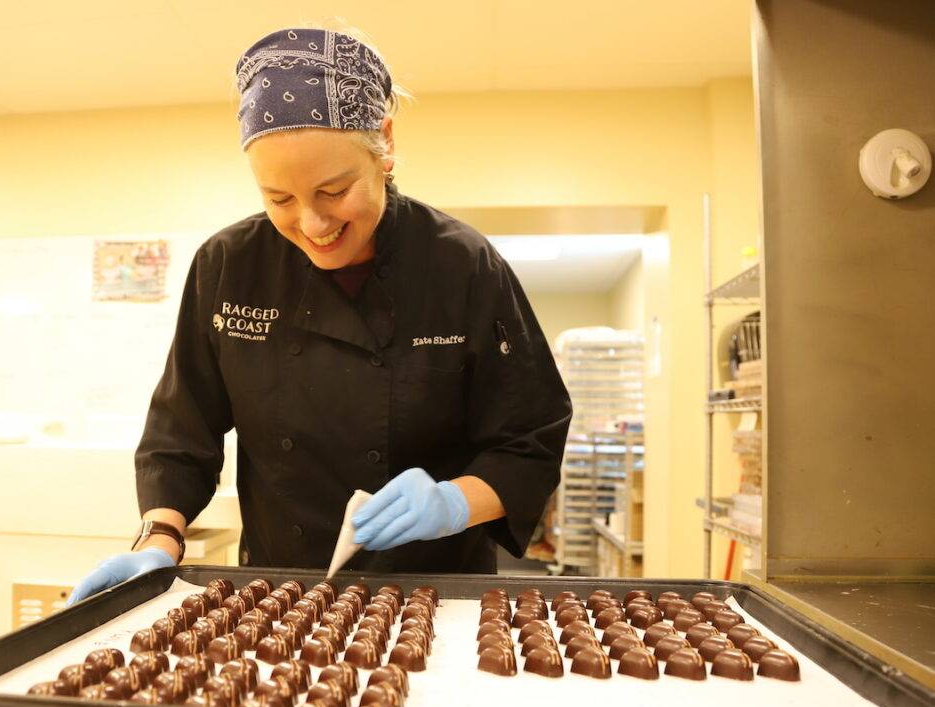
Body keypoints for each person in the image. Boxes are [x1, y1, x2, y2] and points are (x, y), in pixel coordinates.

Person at [68, 27, 571, 604]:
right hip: (281, 590)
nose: (311, 224)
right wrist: (157, 540)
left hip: (437, 590)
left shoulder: (463, 264)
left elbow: (529, 439)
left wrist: (455, 501)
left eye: (334, 191)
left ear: (383, 146)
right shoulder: (229, 265)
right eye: (279, 199)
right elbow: (181, 432)